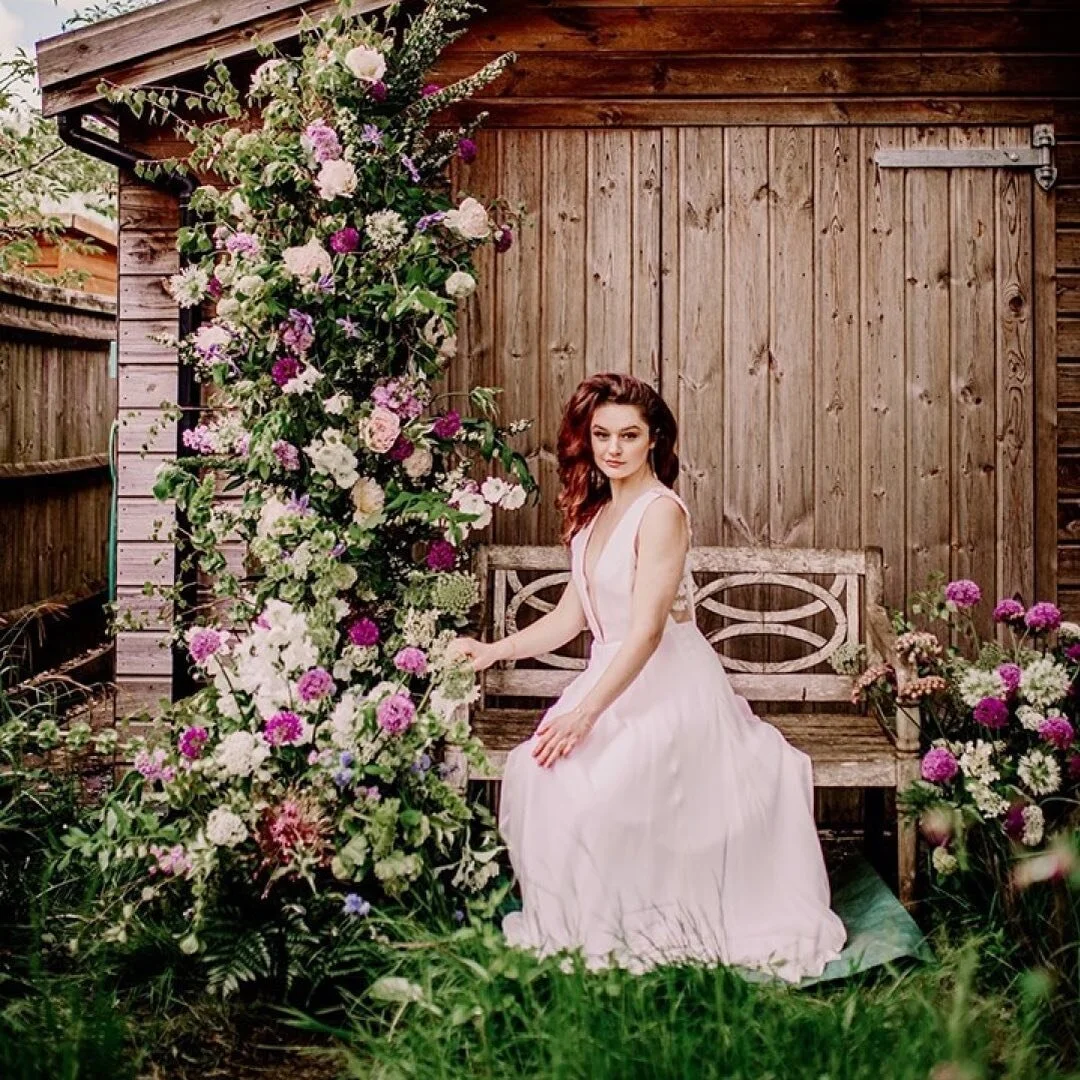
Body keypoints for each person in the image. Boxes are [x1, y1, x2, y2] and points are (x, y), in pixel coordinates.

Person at [450, 372, 846, 980]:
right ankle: (586, 925)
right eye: (602, 434)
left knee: (611, 788)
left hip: (665, 683)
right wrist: (491, 650)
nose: (613, 448)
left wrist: (586, 713)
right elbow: (569, 618)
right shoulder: (593, 514)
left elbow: (647, 633)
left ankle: (650, 924)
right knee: (540, 770)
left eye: (629, 435)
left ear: (653, 439)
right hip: (609, 673)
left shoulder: (662, 513)